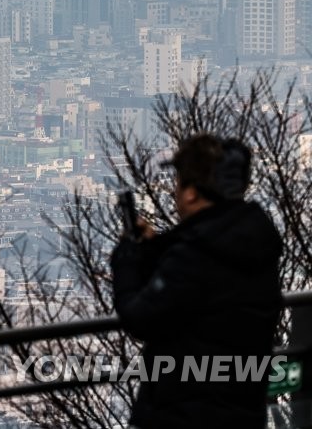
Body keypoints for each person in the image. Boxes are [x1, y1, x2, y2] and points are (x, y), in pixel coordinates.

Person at [112, 133, 282, 429]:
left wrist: (127, 259)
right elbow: (205, 291)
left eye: (179, 182)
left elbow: (139, 317)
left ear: (191, 192)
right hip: (242, 411)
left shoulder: (195, 256)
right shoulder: (253, 241)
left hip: (185, 414)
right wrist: (158, 251)